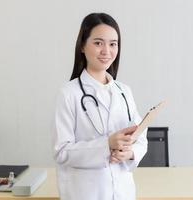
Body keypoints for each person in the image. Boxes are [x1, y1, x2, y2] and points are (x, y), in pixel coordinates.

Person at [53, 13, 148, 200]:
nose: (106, 50)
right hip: (86, 194)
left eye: (113, 44)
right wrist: (106, 145)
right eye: (98, 43)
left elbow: (141, 139)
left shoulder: (124, 91)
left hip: (123, 193)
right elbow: (62, 152)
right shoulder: (69, 94)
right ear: (82, 45)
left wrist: (130, 153)